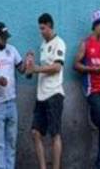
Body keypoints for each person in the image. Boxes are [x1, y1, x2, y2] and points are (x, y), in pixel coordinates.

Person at [74, 10, 100, 169]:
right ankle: (93, 118)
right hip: (93, 90)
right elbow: (75, 65)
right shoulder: (86, 43)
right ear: (95, 26)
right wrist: (91, 69)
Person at [27, 12, 66, 169]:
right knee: (35, 133)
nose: (41, 32)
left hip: (54, 94)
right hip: (41, 95)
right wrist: (30, 66)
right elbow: (35, 70)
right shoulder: (42, 46)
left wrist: (36, 69)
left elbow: (57, 67)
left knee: (55, 134)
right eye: (40, 29)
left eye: (43, 28)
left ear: (50, 26)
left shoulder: (59, 43)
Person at [0, 21, 20, 169]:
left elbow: (23, 69)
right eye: (2, 37)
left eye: (6, 37)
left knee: (11, 141)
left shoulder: (12, 50)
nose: (5, 40)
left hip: (11, 102)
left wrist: (29, 61)